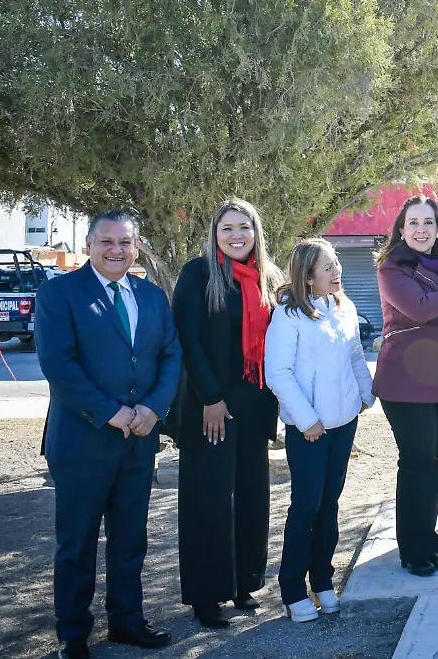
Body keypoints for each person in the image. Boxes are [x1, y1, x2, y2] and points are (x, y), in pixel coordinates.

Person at [36, 210, 182, 659]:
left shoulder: (152, 296)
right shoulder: (59, 293)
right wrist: (112, 412)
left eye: (125, 242)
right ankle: (73, 633)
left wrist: (153, 409)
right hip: (83, 442)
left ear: (137, 247)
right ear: (88, 245)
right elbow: (59, 365)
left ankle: (127, 621)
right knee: (76, 543)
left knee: (129, 539)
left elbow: (171, 356)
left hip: (139, 440)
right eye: (107, 242)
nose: (116, 250)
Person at [171, 198, 282, 627]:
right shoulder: (199, 274)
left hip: (254, 406)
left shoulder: (267, 279)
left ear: (257, 232)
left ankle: (242, 585)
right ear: (214, 234)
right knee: (209, 499)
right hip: (209, 407)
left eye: (245, 227)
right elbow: (188, 341)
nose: (237, 236)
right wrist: (211, 399)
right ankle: (206, 595)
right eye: (227, 229)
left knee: (252, 496)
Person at [265, 238, 374, 622]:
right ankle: (293, 588)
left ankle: (323, 581)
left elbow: (357, 356)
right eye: (328, 267)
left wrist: (364, 395)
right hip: (309, 429)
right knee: (306, 505)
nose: (337, 271)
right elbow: (277, 373)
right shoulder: (288, 315)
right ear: (308, 277)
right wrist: (307, 419)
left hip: (344, 424)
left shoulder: (344, 307)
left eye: (336, 263)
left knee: (330, 503)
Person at [372, 195, 438, 577]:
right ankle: (412, 552)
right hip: (403, 382)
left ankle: (426, 544)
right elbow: (419, 308)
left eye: (428, 222)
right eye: (413, 222)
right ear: (401, 229)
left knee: (431, 464)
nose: (421, 229)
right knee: (416, 463)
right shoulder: (391, 269)